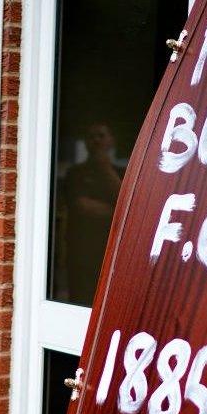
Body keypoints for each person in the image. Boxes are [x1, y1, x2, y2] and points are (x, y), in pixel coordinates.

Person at [62, 123, 125, 306]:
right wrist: (115, 213)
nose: (96, 140)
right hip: (81, 253)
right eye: (91, 136)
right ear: (86, 143)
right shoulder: (75, 173)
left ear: (111, 141)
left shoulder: (121, 173)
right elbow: (81, 206)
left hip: (110, 252)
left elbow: (126, 204)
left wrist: (105, 169)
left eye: (101, 135)